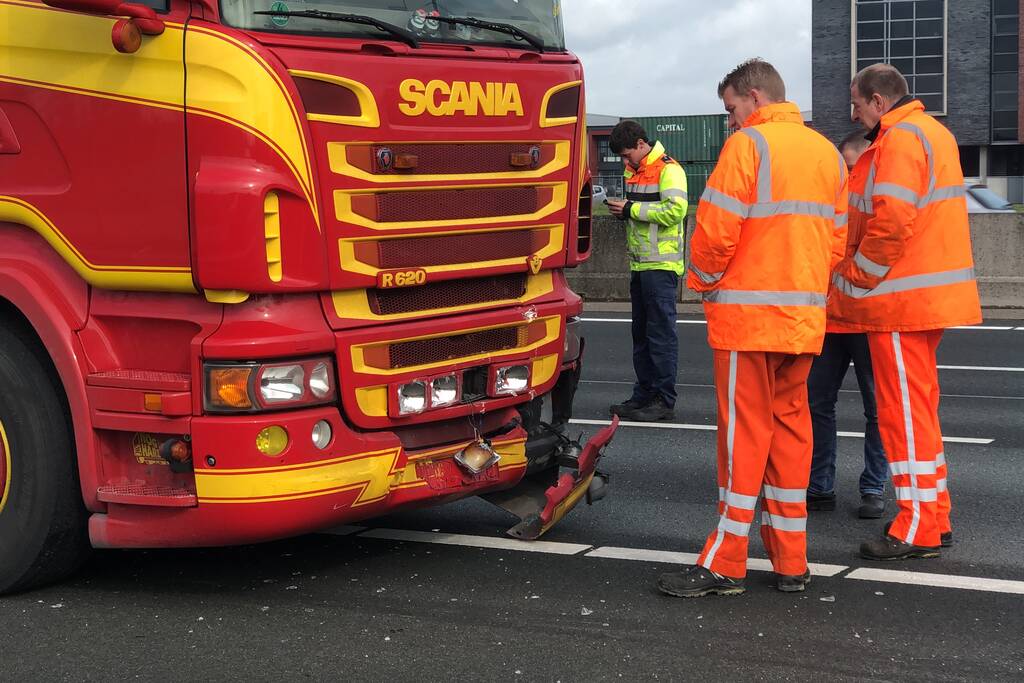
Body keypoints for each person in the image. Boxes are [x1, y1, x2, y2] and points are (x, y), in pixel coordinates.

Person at [656, 59, 847, 598]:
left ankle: (726, 562)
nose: (730, 121)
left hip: (747, 321)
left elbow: (716, 230)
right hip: (802, 322)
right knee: (791, 435)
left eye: (732, 108)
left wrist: (704, 283)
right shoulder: (828, 153)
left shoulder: (748, 147)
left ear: (754, 97)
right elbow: (837, 242)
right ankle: (792, 562)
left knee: (743, 439)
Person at [831, 63, 981, 560]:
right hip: (924, 297)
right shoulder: (933, 134)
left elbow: (891, 220)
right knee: (920, 414)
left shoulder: (898, 140)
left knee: (903, 418)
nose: (853, 113)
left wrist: (857, 275)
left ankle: (916, 525)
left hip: (898, 299)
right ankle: (934, 515)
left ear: (878, 101)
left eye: (856, 103)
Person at [806, 130, 888, 519]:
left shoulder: (879, 200)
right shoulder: (833, 196)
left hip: (870, 319)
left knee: (878, 410)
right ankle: (820, 485)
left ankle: (873, 487)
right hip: (832, 318)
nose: (849, 175)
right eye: (846, 167)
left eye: (854, 167)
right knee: (816, 404)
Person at [605, 120, 688, 422]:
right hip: (641, 264)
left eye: (628, 155)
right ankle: (643, 395)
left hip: (661, 266)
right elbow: (645, 210)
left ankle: (663, 400)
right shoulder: (636, 170)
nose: (626, 162)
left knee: (660, 336)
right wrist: (625, 212)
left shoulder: (669, 169)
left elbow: (675, 211)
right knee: (641, 335)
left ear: (641, 144)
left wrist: (630, 210)